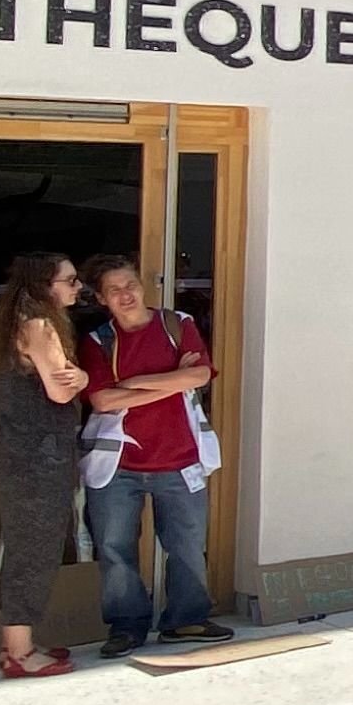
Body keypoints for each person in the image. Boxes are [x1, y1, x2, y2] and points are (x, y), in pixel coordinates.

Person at [77, 253, 228, 658]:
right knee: (114, 547)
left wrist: (137, 383)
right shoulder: (98, 341)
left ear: (143, 286)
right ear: (102, 299)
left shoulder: (177, 325)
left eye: (130, 285)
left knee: (187, 544)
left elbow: (199, 375)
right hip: (118, 463)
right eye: (114, 290)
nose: (125, 295)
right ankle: (127, 626)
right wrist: (171, 382)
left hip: (180, 457)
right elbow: (103, 399)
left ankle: (186, 620)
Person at [0, 253, 87, 680]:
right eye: (70, 280)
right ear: (46, 285)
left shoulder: (18, 323)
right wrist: (83, 378)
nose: (78, 288)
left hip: (26, 451)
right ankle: (19, 652)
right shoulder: (39, 325)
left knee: (29, 545)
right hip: (38, 456)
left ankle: (17, 644)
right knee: (33, 549)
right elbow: (61, 389)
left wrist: (75, 376)